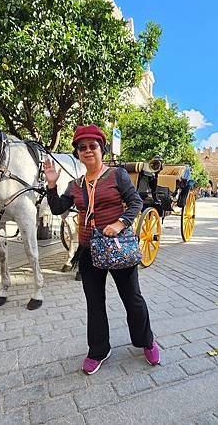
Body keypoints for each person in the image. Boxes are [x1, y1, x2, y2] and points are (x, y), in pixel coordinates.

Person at [44, 124, 159, 375]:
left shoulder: (117, 175)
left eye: (92, 146)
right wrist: (51, 185)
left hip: (117, 247)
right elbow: (57, 208)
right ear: (78, 153)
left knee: (133, 298)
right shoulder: (75, 185)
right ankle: (98, 350)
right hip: (89, 251)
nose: (87, 151)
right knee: (95, 303)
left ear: (101, 149)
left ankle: (146, 341)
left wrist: (120, 223)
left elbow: (135, 202)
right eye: (81, 147)